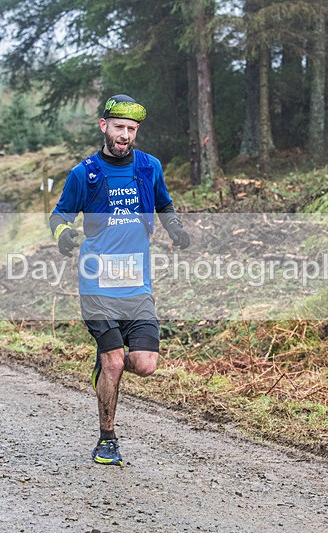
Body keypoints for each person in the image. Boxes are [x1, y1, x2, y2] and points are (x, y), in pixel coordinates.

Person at [49, 94, 191, 466]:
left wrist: (174, 228)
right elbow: (58, 215)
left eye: (131, 129)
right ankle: (107, 439)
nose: (124, 135)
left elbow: (163, 203)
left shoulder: (149, 167)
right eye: (118, 127)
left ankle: (106, 367)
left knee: (144, 364)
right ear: (104, 127)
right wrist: (64, 235)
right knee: (113, 360)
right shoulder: (85, 173)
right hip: (96, 284)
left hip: (136, 284)